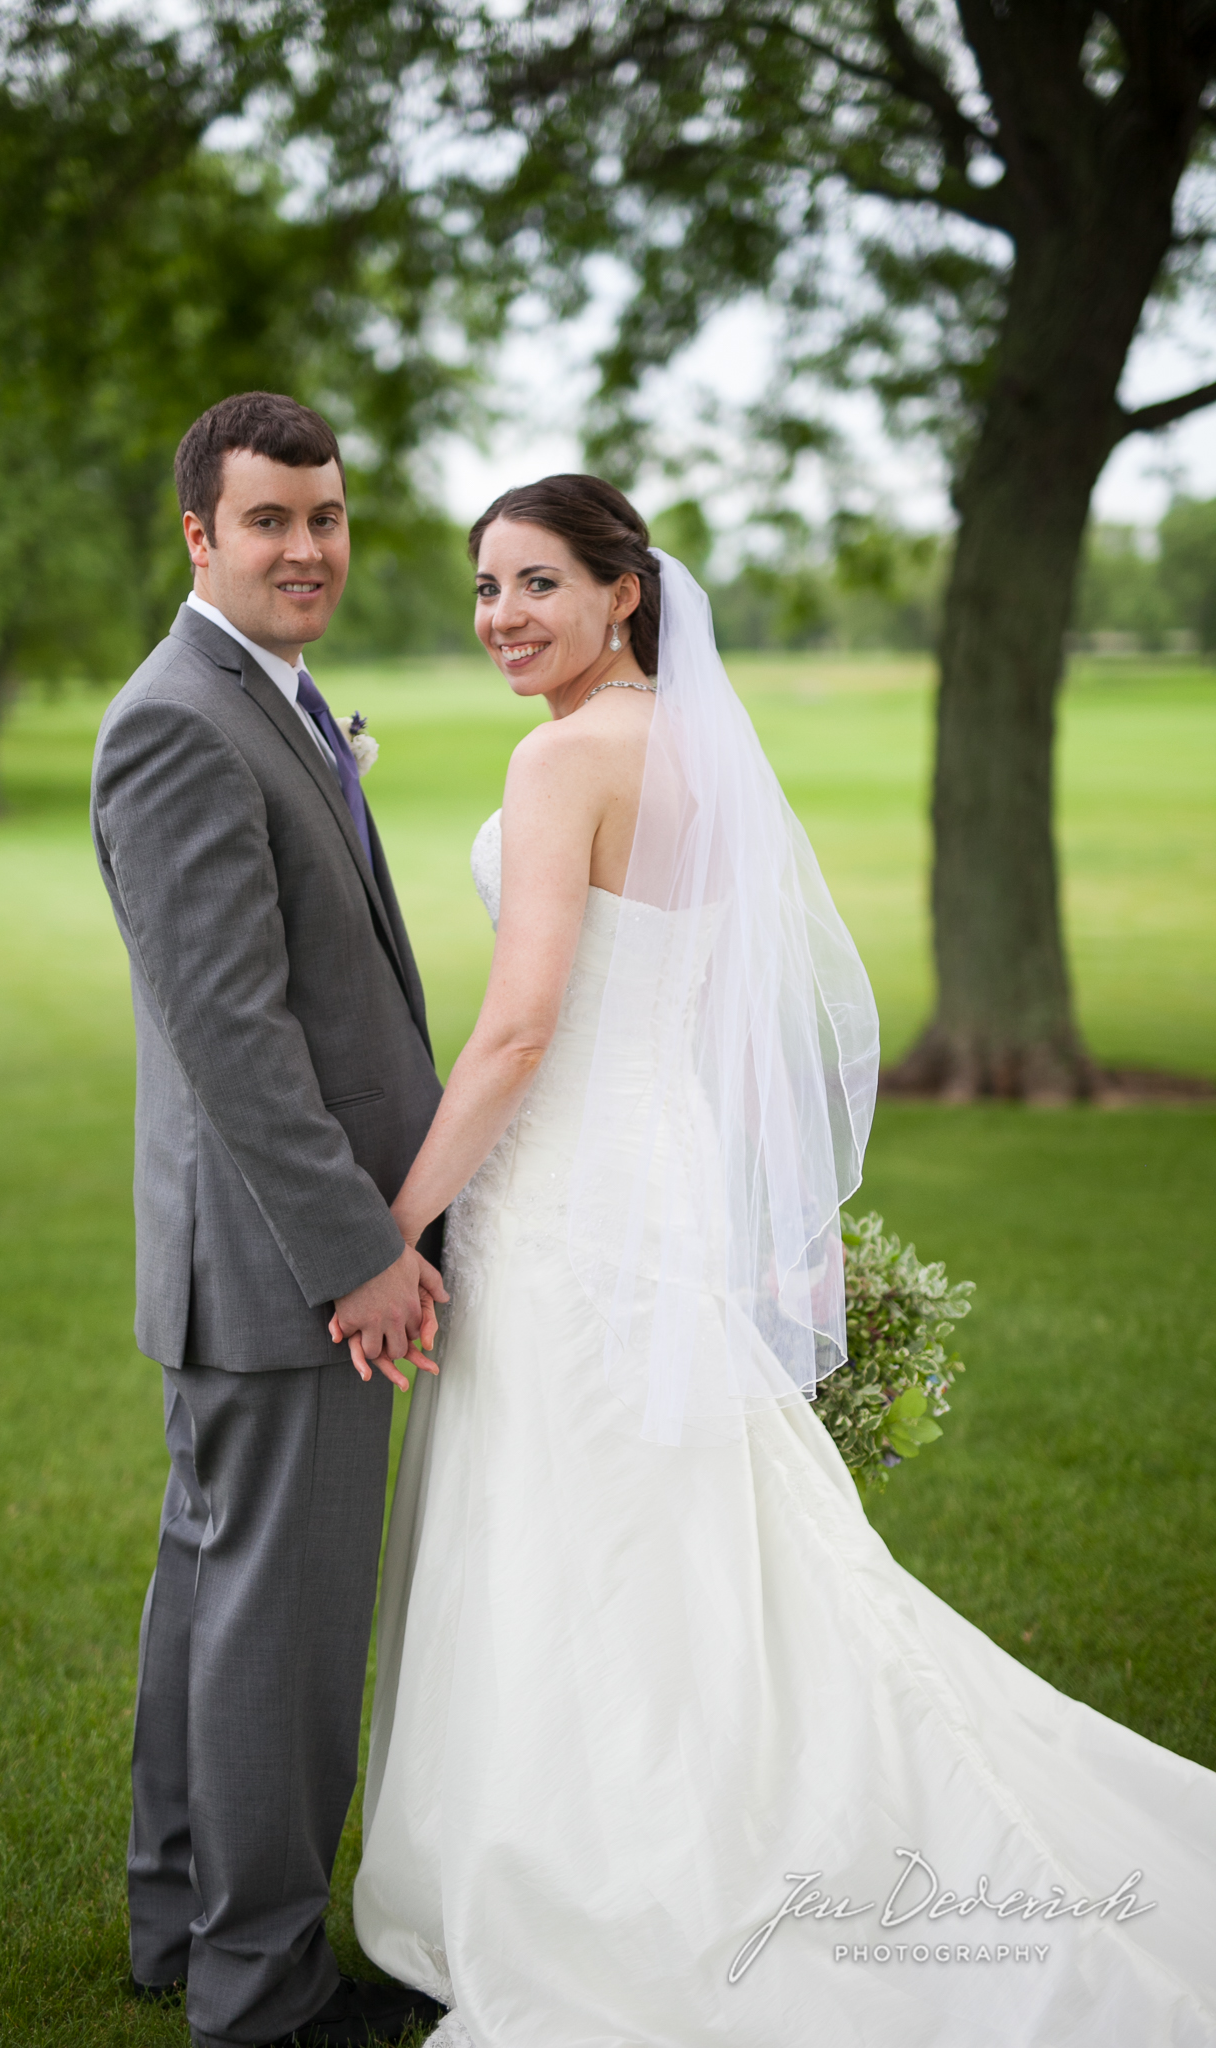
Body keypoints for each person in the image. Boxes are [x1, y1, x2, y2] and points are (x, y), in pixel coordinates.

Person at [351, 475, 1216, 2045]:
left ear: (624, 591)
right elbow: (728, 1019)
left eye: (535, 583)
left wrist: (391, 1225)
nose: (499, 619)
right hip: (658, 1178)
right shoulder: (699, 753)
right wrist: (778, 1221)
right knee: (676, 1522)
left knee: (572, 1523)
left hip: (563, 1193)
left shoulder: (561, 760)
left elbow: (522, 1025)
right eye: (485, 589)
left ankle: (607, 1868)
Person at [91, 391, 446, 2048]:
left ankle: (181, 1922)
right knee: (276, 1639)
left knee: (220, 1601)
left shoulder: (270, 700)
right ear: (197, 538)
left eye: (326, 518)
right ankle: (263, 1992)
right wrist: (361, 1255)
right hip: (285, 1267)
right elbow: (235, 1039)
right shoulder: (181, 719)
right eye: (269, 522)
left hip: (259, 1261)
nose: (307, 549)